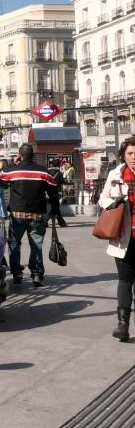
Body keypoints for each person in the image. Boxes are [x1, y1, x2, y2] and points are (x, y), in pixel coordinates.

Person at [0, 144, 59, 287]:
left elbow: (0, 178)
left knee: (14, 243)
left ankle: (17, 273)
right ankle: (37, 274)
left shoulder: (13, 170)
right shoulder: (44, 172)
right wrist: (55, 211)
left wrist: (14, 163)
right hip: (37, 214)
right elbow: (54, 193)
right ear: (33, 155)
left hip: (17, 213)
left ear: (20, 155)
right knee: (36, 245)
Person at [99, 136, 135, 341]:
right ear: (123, 155)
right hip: (123, 236)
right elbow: (103, 198)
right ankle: (123, 325)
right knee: (125, 279)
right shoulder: (116, 174)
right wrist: (113, 203)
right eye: (130, 153)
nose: (133, 157)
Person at [47, 159, 68, 227]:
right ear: (59, 165)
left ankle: (60, 222)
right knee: (55, 207)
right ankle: (60, 222)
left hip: (46, 192)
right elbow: (62, 182)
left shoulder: (47, 172)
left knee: (53, 207)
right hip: (55, 192)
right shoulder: (59, 173)